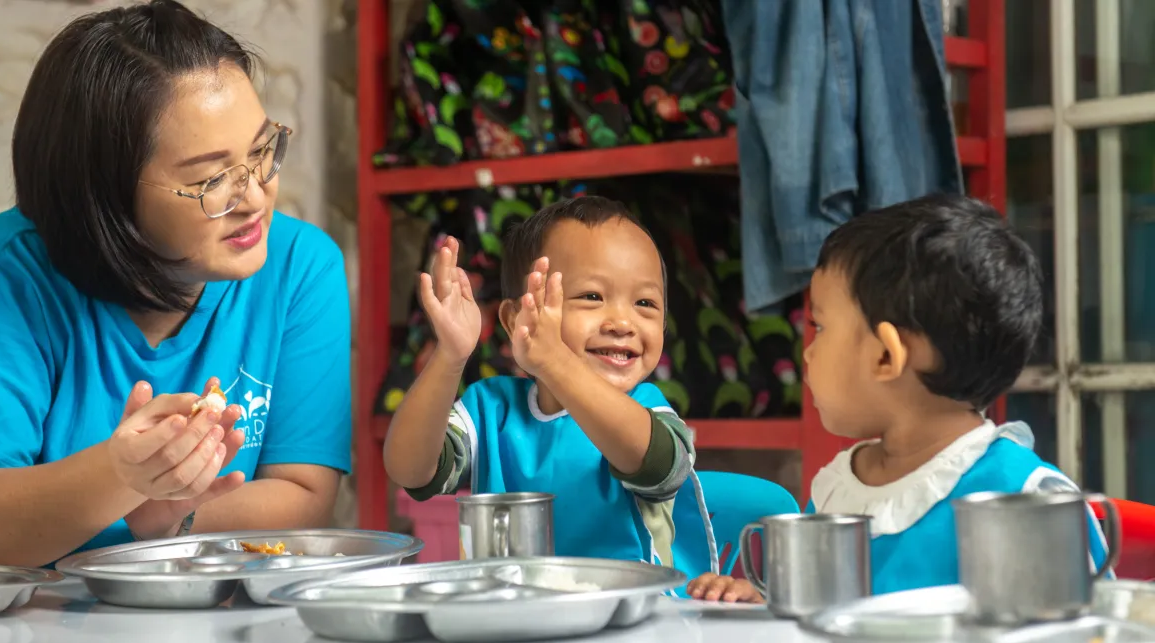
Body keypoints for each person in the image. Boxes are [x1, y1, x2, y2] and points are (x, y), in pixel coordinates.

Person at [0, 0, 351, 567]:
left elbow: (304, 497)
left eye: (263, 151)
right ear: (104, 197)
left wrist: (172, 516)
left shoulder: (301, 265)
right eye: (213, 178)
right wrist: (123, 479)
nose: (258, 196)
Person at [689, 195, 1111, 602]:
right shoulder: (840, 486)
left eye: (820, 326)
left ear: (886, 355)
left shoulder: (1022, 499)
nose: (808, 352)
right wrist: (766, 599)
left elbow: (1083, 632)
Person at [384, 196, 716, 579]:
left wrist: (555, 361)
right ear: (515, 319)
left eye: (645, 303)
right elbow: (411, 470)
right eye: (592, 296)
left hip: (630, 620)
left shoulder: (646, 411)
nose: (623, 322)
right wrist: (450, 357)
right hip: (513, 617)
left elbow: (658, 463)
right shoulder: (491, 409)